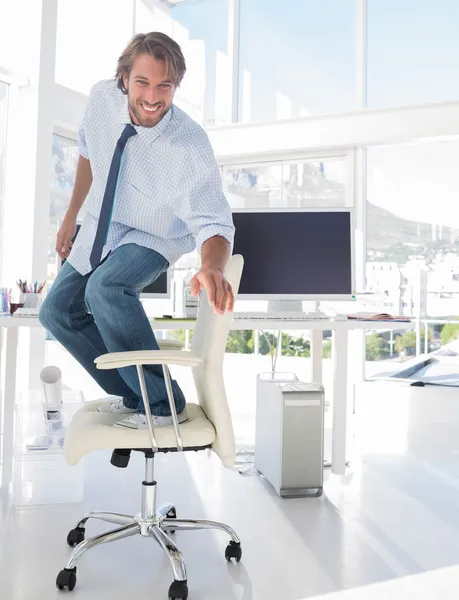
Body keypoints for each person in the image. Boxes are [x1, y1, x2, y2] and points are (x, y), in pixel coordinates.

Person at [39, 32, 235, 430]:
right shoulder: (101, 100)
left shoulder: (190, 145)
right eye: (143, 82)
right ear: (124, 78)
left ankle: (163, 404)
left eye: (165, 85)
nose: (153, 97)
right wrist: (70, 216)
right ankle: (135, 394)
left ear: (176, 86)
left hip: (154, 233)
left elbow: (214, 221)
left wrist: (212, 267)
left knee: (106, 288)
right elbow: (88, 153)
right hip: (100, 224)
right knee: (56, 311)